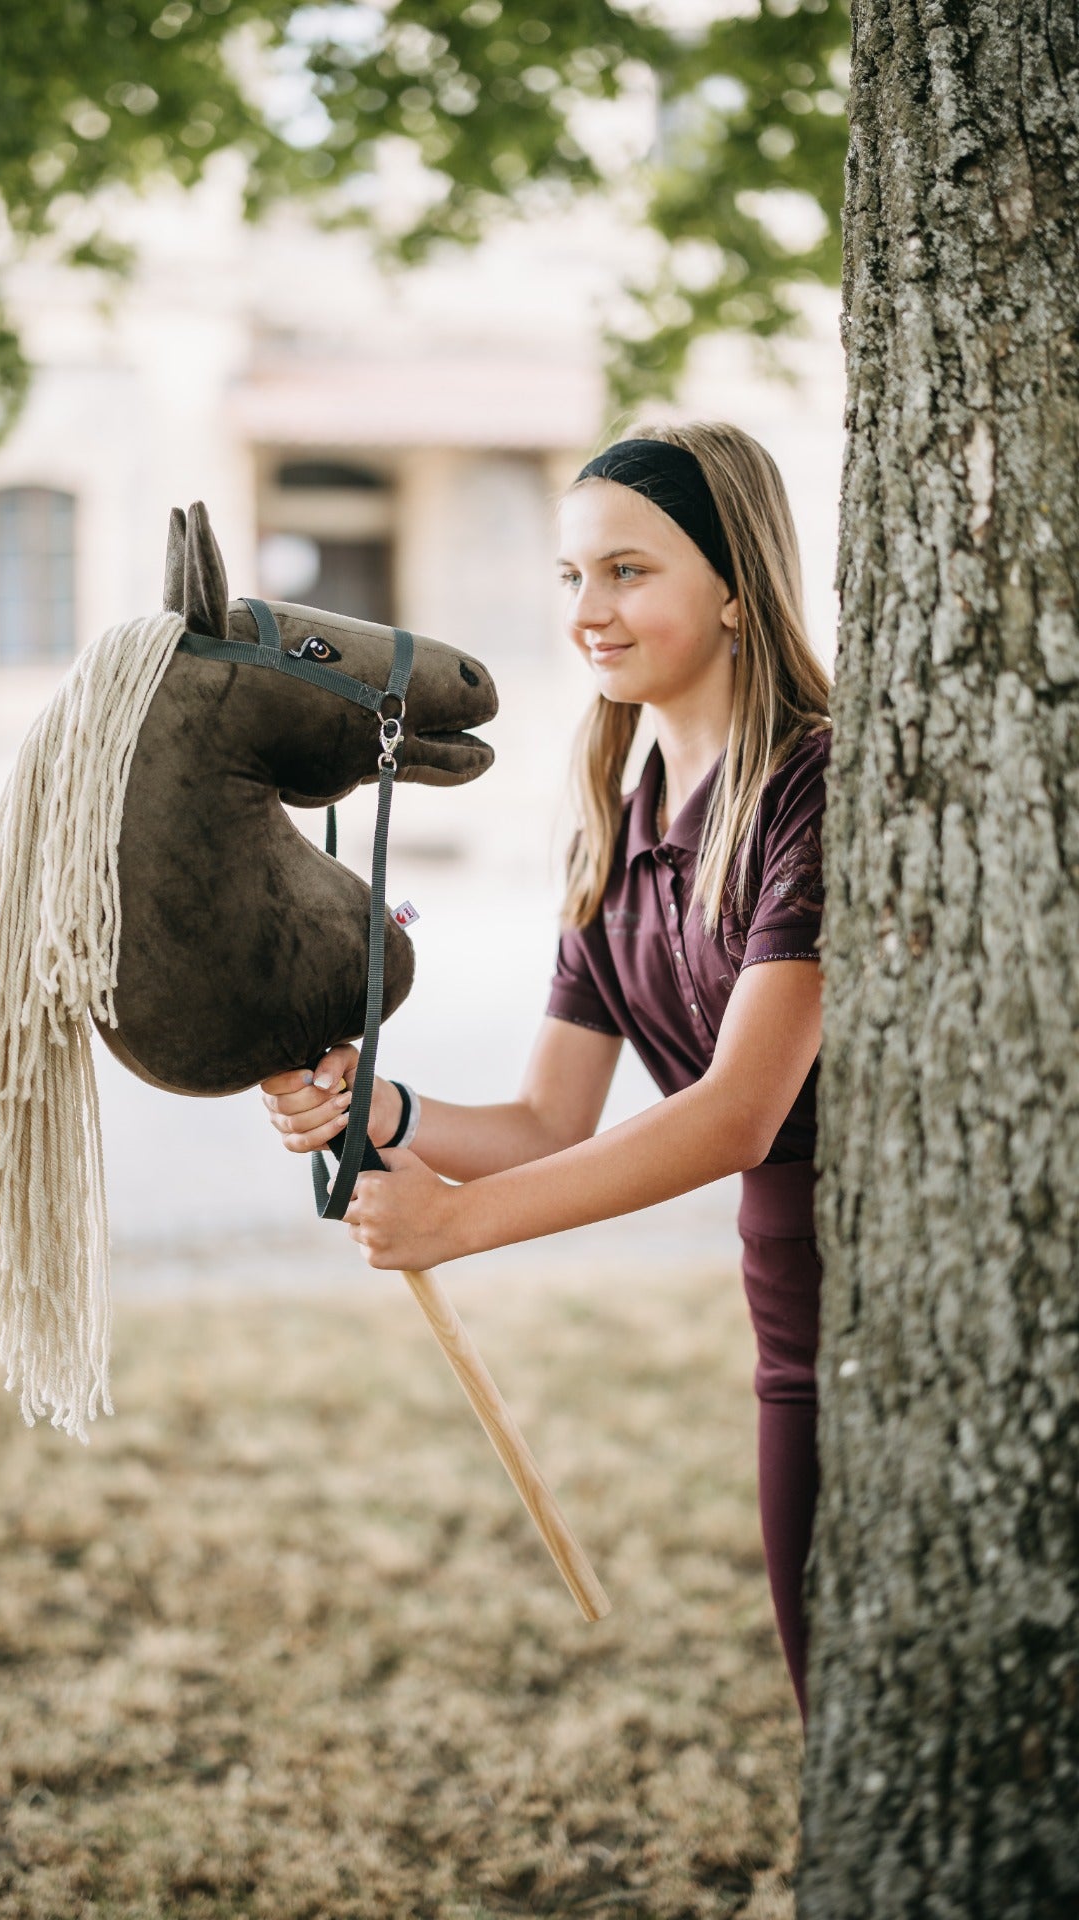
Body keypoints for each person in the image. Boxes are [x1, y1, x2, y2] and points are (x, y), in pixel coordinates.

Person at [259, 425, 832, 1720]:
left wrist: (460, 1225)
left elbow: (741, 1113)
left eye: (628, 572)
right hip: (789, 1330)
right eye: (572, 578)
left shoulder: (815, 785)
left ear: (736, 583)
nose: (590, 612)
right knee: (831, 1709)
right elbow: (544, 1119)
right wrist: (380, 1107)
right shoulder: (616, 811)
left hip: (894, 1301)